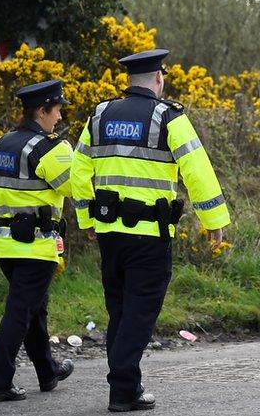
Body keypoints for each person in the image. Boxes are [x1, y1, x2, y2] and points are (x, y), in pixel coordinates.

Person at [71, 48, 230, 412]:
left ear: (129, 80)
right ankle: (123, 391)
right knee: (139, 315)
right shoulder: (168, 118)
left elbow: (78, 171)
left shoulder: (99, 115)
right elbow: (197, 171)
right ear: (158, 78)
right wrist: (214, 221)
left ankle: (129, 384)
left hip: (109, 232)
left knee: (121, 311)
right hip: (149, 236)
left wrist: (86, 220)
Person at [0, 80, 75, 401]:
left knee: (35, 308)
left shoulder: (2, 143)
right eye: (57, 111)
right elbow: (75, 187)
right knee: (21, 311)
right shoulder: (50, 147)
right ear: (41, 111)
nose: (59, 119)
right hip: (36, 245)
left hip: (5, 242)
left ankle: (47, 371)